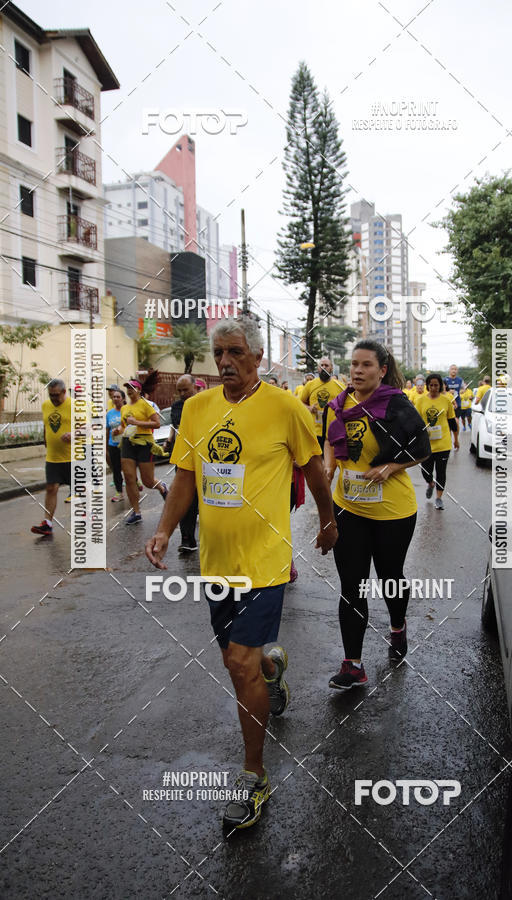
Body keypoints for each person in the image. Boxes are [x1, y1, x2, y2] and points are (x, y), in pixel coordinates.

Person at [145, 316, 337, 831]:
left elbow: (314, 469)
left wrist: (328, 520)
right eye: (218, 353)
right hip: (217, 562)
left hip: (265, 562)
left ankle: (253, 774)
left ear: (256, 357)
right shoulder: (197, 409)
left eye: (234, 352)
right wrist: (165, 530)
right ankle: (272, 670)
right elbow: (186, 476)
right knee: (242, 662)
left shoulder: (286, 409)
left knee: (238, 663)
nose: (225, 362)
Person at [323, 340, 430, 689]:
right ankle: (353, 664)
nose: (357, 370)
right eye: (353, 364)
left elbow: (422, 447)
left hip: (393, 513)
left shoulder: (395, 404)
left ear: (382, 370)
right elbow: (329, 440)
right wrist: (327, 468)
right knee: (351, 585)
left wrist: (391, 466)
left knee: (390, 576)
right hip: (349, 507)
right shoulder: (337, 404)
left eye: (366, 365)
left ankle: (397, 626)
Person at [112, 379, 168, 525]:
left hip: (144, 443)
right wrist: (118, 430)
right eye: (127, 388)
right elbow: (125, 427)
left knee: (148, 481)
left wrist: (137, 422)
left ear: (138, 390)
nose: (129, 390)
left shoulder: (145, 405)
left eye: (132, 387)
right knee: (129, 478)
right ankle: (136, 512)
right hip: (128, 443)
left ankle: (162, 487)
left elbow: (157, 423)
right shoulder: (124, 408)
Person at [31, 380, 72, 536]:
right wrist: (45, 440)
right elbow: (46, 425)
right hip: (53, 457)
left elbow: (88, 428)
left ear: (64, 392)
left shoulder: (75, 406)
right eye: (51, 395)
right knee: (51, 488)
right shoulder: (46, 405)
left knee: (80, 491)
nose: (53, 398)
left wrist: (73, 434)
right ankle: (47, 523)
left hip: (74, 456)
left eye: (56, 395)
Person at [415, 373, 459, 510]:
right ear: (428, 386)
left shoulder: (446, 401)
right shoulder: (421, 401)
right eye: (431, 385)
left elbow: (452, 421)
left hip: (443, 443)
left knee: (441, 471)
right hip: (426, 443)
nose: (434, 388)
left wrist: (456, 439)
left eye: (436, 385)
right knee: (425, 470)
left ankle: (439, 498)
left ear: (441, 386)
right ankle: (430, 483)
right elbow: (416, 421)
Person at [166, 375, 199, 553]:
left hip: (205, 456)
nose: (182, 394)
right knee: (186, 496)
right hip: (185, 455)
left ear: (195, 387)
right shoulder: (177, 406)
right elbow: (176, 426)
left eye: (185, 389)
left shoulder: (205, 403)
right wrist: (170, 441)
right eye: (179, 391)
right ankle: (187, 538)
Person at [300, 358, 345, 453]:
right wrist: (309, 408)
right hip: (315, 431)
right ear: (318, 368)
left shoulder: (340, 386)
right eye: (322, 365)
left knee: (331, 465)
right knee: (317, 462)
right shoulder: (310, 385)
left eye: (326, 365)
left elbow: (347, 406)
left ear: (331, 368)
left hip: (334, 432)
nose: (324, 368)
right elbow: (299, 403)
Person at [106, 389, 126, 502]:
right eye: (114, 397)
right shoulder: (109, 413)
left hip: (125, 444)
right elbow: (107, 429)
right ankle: (119, 492)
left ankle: (135, 481)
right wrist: (105, 447)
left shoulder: (126, 410)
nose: (115, 399)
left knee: (128, 468)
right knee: (116, 469)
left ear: (123, 399)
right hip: (113, 444)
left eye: (118, 397)